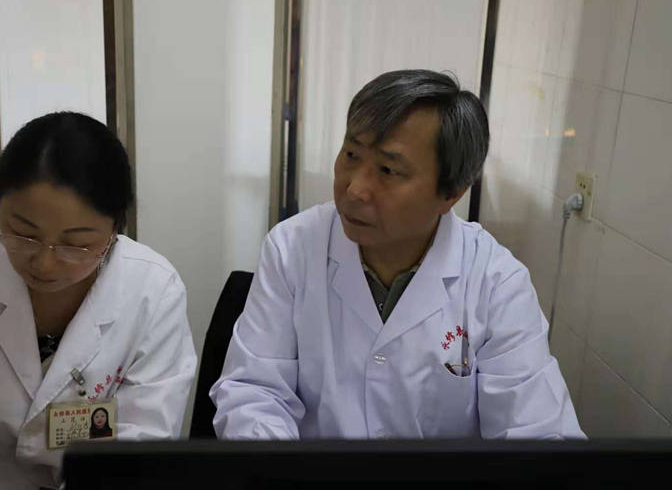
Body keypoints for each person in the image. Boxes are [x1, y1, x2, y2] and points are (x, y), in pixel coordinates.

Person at [211, 70, 584, 440]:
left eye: (388, 170)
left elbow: (537, 432)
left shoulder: (496, 282)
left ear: (451, 192)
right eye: (351, 154)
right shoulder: (293, 248)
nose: (355, 189)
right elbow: (255, 393)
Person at [0, 112, 197, 490]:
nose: (44, 263)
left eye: (77, 244)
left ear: (114, 230)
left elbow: (140, 447)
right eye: (23, 234)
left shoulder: (153, 291)